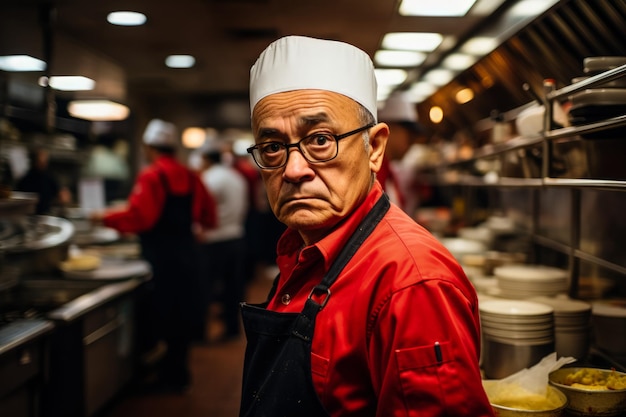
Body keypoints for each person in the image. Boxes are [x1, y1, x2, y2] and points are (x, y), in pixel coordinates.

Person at [238, 35, 494, 416]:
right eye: (273, 146)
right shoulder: (302, 250)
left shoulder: (412, 285)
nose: (292, 170)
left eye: (321, 140)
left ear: (374, 148)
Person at [91, 119, 217, 393]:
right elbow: (210, 215)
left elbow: (141, 218)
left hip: (161, 259)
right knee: (180, 316)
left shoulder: (151, 175)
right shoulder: (192, 175)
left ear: (149, 147)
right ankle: (177, 373)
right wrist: (196, 228)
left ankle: (165, 377)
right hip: (188, 256)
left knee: (159, 315)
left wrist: (105, 218)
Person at [197, 138, 249, 342]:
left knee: (206, 289)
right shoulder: (236, 176)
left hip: (214, 240)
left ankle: (202, 332)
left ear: (206, 159)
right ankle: (232, 328)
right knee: (233, 287)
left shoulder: (209, 179)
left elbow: (201, 211)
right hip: (236, 236)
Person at [378, 91, 435, 216]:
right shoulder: (374, 173)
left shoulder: (389, 170)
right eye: (409, 136)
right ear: (389, 129)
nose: (412, 143)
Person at [15, 148, 71, 214]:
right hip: (27, 215)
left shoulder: (49, 177)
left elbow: (60, 194)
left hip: (45, 214)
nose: (43, 163)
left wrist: (63, 195)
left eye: (45, 161)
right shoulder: (26, 179)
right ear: (35, 161)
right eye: (40, 160)